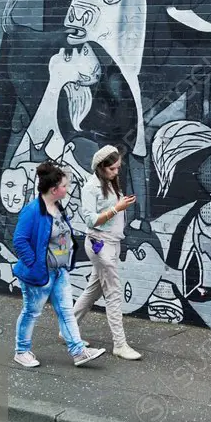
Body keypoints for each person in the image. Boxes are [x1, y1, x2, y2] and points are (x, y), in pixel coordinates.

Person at [12, 161, 106, 368]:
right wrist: (35, 265)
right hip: (39, 274)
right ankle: (21, 351)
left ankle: (78, 352)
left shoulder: (57, 207)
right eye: (64, 186)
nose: (67, 189)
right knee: (31, 312)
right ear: (54, 190)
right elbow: (19, 240)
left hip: (59, 272)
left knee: (66, 311)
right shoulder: (32, 211)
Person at [73, 145, 142, 360]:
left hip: (111, 243)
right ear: (101, 168)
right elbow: (91, 220)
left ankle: (68, 328)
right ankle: (120, 345)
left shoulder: (109, 183)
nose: (116, 172)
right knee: (113, 294)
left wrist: (121, 205)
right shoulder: (91, 188)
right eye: (112, 169)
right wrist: (117, 208)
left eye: (118, 168)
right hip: (100, 244)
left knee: (94, 289)